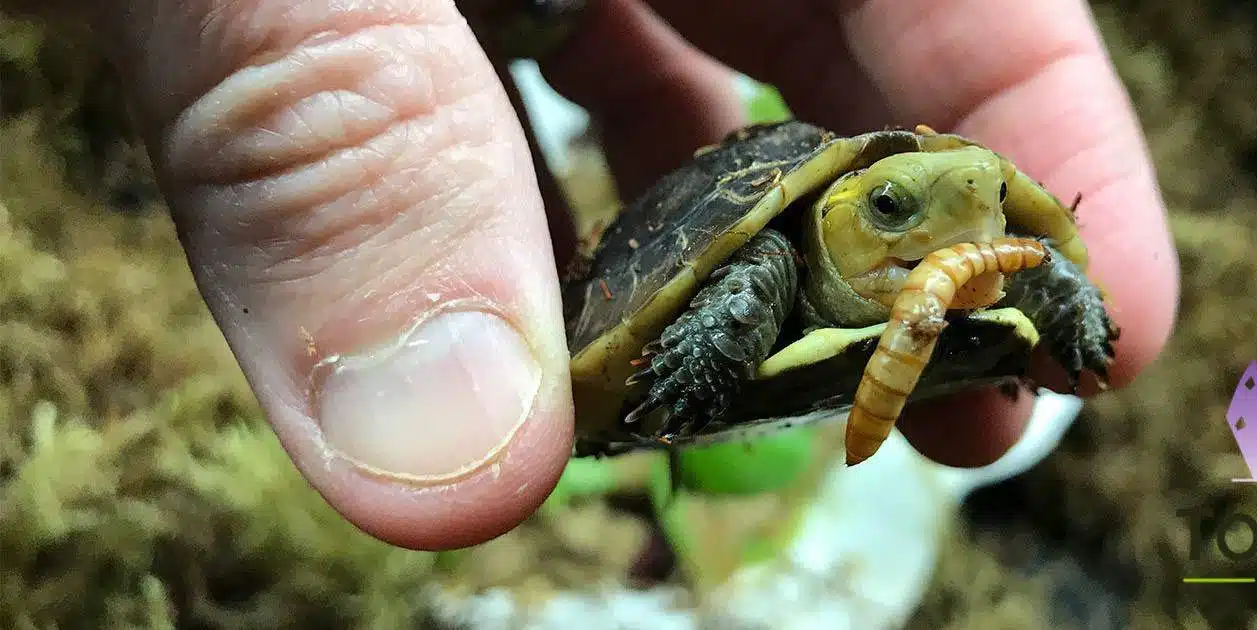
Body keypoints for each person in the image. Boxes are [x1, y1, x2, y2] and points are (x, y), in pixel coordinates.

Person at [5, 0, 1178, 550]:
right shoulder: (773, 262)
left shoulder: (981, 260)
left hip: (898, 364)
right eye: (889, 208)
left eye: (981, 208)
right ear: (834, 219)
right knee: (738, 292)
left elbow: (1054, 279)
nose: (944, 227)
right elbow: (742, 279)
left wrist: (1065, 308)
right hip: (674, 329)